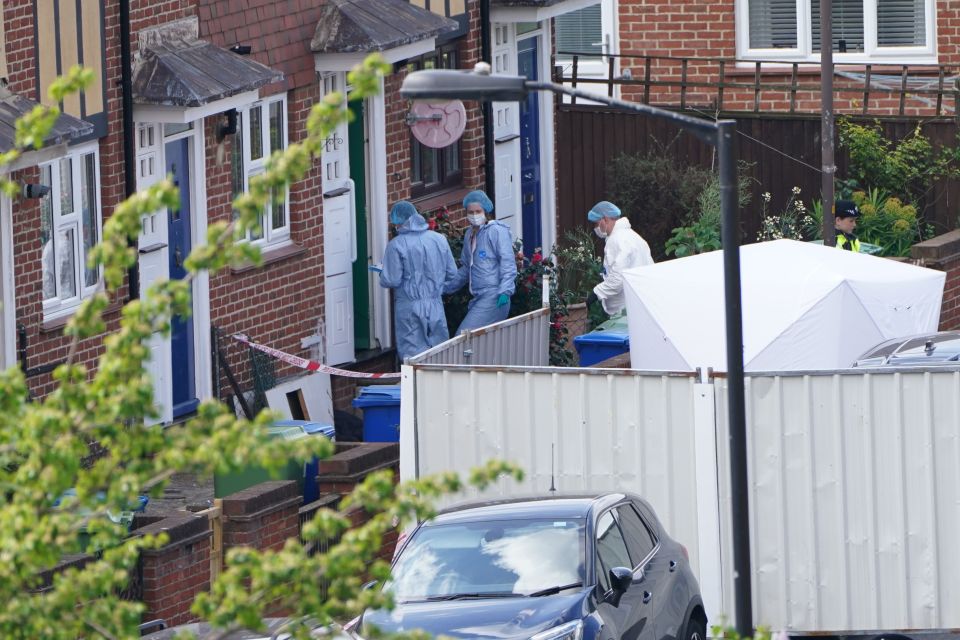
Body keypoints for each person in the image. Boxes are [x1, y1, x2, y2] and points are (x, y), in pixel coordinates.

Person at [375, 200, 458, 361]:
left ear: (398, 222)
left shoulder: (396, 245)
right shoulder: (439, 239)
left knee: (413, 357)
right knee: (440, 353)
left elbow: (391, 279)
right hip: (435, 304)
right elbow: (452, 272)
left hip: (409, 307)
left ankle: (416, 386)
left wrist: (382, 273)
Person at [444, 190, 517, 333]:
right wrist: (446, 288)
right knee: (481, 345)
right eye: (470, 212)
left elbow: (507, 262)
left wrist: (505, 291)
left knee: (463, 337)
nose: (474, 215)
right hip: (479, 296)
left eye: (478, 211)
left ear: (486, 210)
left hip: (495, 296)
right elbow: (466, 269)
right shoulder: (469, 234)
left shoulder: (496, 231)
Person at [585, 200, 653, 316]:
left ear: (605, 219)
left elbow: (618, 279)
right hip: (642, 304)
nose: (596, 228)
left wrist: (596, 293)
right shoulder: (634, 237)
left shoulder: (617, 240)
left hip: (627, 311)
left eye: (596, 223)